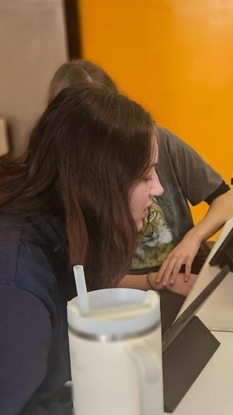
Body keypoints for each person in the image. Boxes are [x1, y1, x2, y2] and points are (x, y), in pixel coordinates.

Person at [0, 84, 163, 414]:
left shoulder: (68, 237)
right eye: (145, 176)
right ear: (98, 184)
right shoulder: (17, 287)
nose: (158, 188)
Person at [47, 60, 233, 297]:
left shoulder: (156, 140)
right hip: (132, 294)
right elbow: (89, 277)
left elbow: (227, 199)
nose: (157, 188)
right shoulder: (63, 182)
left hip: (186, 273)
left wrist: (193, 238)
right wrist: (155, 281)